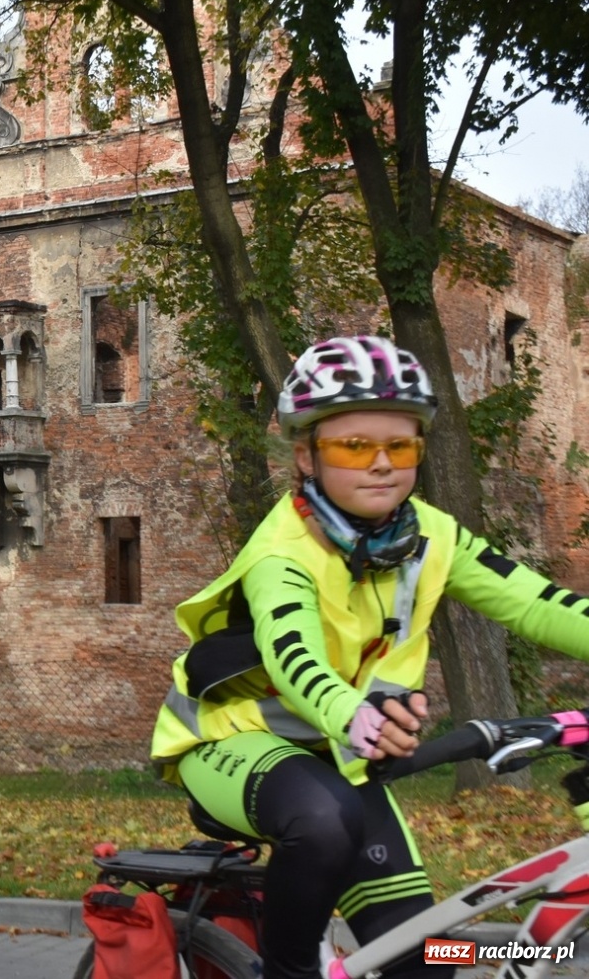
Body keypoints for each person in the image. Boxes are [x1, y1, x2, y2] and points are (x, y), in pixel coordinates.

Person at [151, 335, 589, 979]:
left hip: (344, 763)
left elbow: (536, 603)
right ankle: (289, 972)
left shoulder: (434, 535)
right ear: (307, 455)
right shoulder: (283, 553)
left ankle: (524, 957)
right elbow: (293, 655)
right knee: (325, 821)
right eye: (355, 446)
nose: (382, 463)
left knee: (429, 963)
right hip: (233, 742)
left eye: (401, 445)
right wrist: (353, 714)